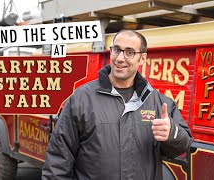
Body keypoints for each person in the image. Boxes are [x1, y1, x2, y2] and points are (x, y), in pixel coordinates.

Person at [42, 29, 192, 180]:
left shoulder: (160, 103)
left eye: (129, 52)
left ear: (142, 58)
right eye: (116, 50)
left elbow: (183, 145)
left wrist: (172, 133)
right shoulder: (81, 99)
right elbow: (58, 160)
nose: (120, 58)